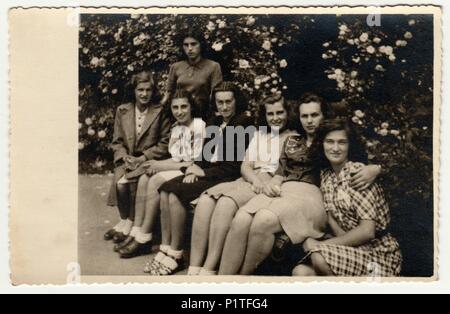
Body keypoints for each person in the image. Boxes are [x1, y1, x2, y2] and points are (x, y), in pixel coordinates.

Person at [219, 93, 382, 275]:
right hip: (286, 191)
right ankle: (221, 281)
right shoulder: (294, 140)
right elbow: (280, 171)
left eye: (315, 115)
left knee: (263, 220)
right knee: (242, 218)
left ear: (324, 115)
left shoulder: (331, 142)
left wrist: (375, 169)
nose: (309, 121)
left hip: (312, 197)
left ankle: (241, 281)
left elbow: (361, 161)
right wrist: (273, 182)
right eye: (305, 116)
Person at [149, 81, 254, 276]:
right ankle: (166, 249)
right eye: (219, 102)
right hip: (208, 172)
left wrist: (203, 173)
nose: (224, 107)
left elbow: (232, 168)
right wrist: (194, 167)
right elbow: (205, 154)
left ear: (236, 101)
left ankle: (176, 254)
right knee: (165, 189)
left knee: (176, 194)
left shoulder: (242, 124)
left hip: (224, 177)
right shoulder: (215, 121)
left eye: (228, 102)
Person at [187, 94, 298, 276]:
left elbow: (283, 170)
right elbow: (245, 165)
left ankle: (209, 268)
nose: (276, 117)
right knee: (206, 199)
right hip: (249, 180)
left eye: (280, 112)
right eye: (271, 114)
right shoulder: (261, 135)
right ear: (265, 115)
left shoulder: (292, 138)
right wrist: (253, 179)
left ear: (288, 113)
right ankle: (194, 267)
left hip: (267, 184)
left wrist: (261, 182)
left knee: (225, 203)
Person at [292, 118, 402, 277]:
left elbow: (367, 231)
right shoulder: (327, 175)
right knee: (300, 273)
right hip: (353, 250)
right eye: (329, 142)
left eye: (342, 142)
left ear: (350, 146)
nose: (335, 148)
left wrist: (321, 245)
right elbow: (332, 219)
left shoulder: (358, 175)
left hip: (378, 254)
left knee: (319, 256)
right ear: (322, 144)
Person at [114, 90, 206, 259]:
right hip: (180, 167)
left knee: (155, 179)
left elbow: (193, 162)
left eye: (184, 106)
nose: (180, 111)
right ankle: (136, 231)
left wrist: (159, 166)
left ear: (192, 107)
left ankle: (145, 237)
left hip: (193, 171)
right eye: (175, 107)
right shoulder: (177, 128)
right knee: (144, 178)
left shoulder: (199, 127)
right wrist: (154, 164)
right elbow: (176, 158)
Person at [104, 71, 171, 245]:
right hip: (128, 160)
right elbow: (117, 141)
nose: (144, 94)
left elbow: (165, 143)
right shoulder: (123, 110)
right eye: (140, 89)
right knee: (119, 183)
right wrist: (124, 157)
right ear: (134, 91)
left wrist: (143, 157)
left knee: (129, 183)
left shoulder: (159, 111)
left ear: (153, 91)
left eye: (148, 90)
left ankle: (132, 223)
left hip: (147, 160)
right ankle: (125, 220)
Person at [162, 28, 223, 119]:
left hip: (203, 114)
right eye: (186, 45)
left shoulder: (213, 66)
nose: (190, 48)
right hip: (180, 114)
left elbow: (216, 96)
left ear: (201, 45)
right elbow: (168, 95)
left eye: (193, 44)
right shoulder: (176, 67)